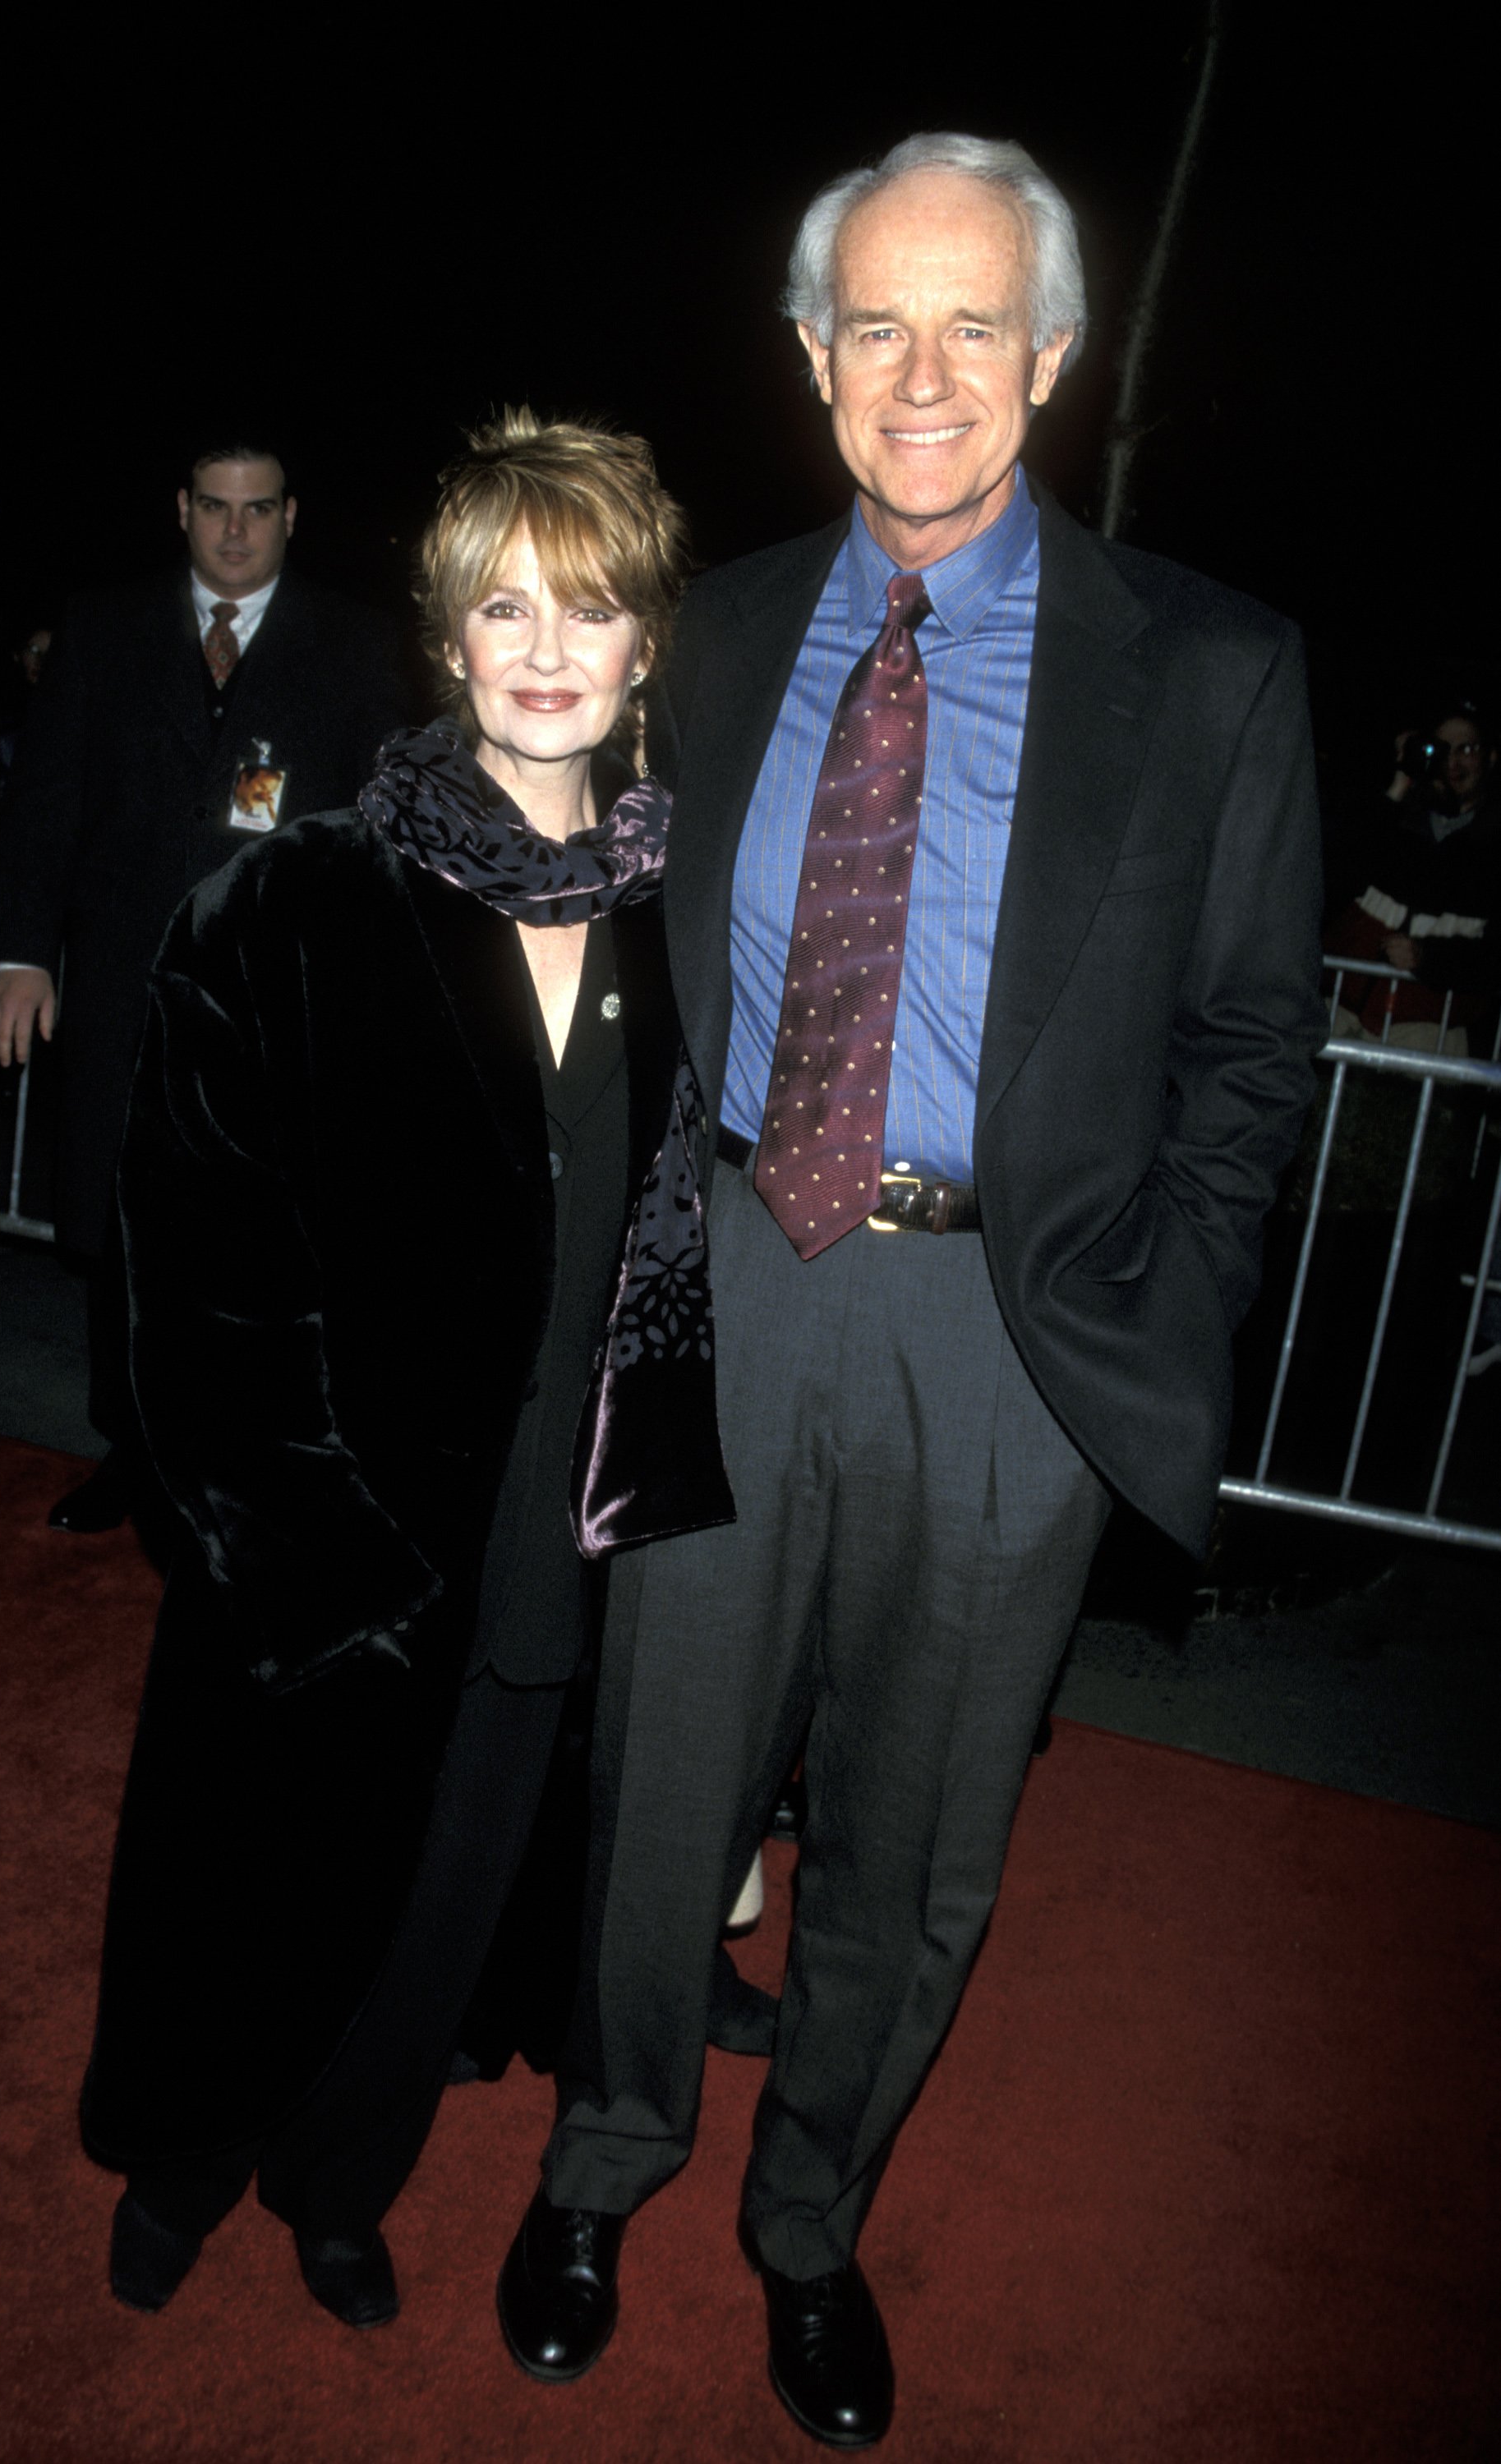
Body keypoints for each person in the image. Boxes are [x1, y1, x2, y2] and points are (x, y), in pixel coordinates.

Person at [497, 132, 1324, 2448]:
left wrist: (1152, 1306)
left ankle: (807, 2226)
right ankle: (603, 2161)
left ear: (1050, 358)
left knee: (919, 1833)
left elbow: (1254, 1049)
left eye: (977, 323)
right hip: (738, 1280)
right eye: (880, 324)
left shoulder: (1217, 674)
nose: (926, 371)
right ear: (811, 358)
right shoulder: (720, 624)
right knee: (664, 1779)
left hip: (1013, 1341)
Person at [80, 410, 714, 2329]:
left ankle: (341, 2179)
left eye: (586, 608)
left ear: (641, 651)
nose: (543, 645)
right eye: (502, 604)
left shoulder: (677, 922)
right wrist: (317, 1551)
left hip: (545, 1528)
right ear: (444, 638)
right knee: (263, 1888)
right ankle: (189, 2159)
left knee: (443, 1899)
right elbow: (188, 1284)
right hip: (328, 1541)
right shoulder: (292, 905)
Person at [0, 444, 406, 1533]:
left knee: (250, 1247)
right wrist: (20, 954)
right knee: (125, 1236)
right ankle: (134, 1447)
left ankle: (235, 1460)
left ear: (292, 515)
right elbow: (43, 808)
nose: (233, 532)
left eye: (258, 510)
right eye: (213, 507)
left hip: (267, 1008)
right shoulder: (105, 628)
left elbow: (382, 835)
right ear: (180, 508)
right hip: (122, 995)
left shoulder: (354, 645)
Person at [1327, 701, 1499, 1052]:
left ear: (1490, 759)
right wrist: (1400, 784)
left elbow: (1494, 959)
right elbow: (1334, 878)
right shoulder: (1394, 819)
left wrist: (1426, 958)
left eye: (1467, 749)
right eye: (1441, 748)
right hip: (1337, 1015)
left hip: (1428, 1036)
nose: (1452, 762)